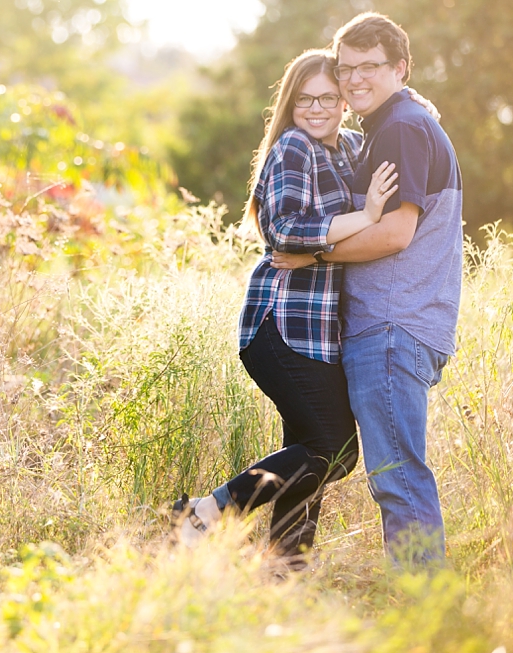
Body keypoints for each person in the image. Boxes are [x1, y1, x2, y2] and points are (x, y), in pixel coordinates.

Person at [172, 48, 401, 559]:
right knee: (335, 449)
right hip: (283, 325)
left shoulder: (350, 147)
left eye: (328, 98)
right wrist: (365, 217)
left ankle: (284, 571)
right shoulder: (295, 147)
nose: (317, 109)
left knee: (307, 453)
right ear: (290, 104)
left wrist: (413, 105)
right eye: (305, 99)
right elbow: (283, 231)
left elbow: (393, 120)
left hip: (319, 335)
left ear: (344, 101)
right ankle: (206, 512)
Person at [273, 13, 463, 566]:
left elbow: (396, 233)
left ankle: (425, 603)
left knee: (397, 477)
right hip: (396, 325)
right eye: (346, 68)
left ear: (400, 68)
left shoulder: (401, 127)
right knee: (391, 473)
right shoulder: (393, 125)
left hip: (391, 325)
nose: (355, 79)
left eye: (369, 67)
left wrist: (313, 253)